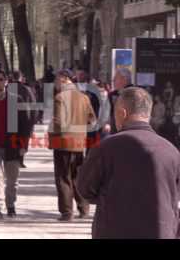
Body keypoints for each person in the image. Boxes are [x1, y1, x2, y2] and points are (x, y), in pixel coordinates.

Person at [78, 87, 180, 239]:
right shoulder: (171, 151)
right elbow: (175, 195)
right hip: (162, 231)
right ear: (148, 114)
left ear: (122, 113)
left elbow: (85, 189)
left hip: (114, 230)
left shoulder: (106, 147)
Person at [0, 70, 35, 219]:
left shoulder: (16, 100)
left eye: (0, 80)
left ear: (6, 82)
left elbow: (26, 124)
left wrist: (24, 145)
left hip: (13, 145)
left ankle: (11, 205)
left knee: (12, 180)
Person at [48, 69, 96, 222]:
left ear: (63, 79)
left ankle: (67, 212)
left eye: (56, 79)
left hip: (62, 143)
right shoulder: (84, 98)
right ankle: (84, 208)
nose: (55, 82)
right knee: (77, 176)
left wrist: (51, 139)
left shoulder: (60, 97)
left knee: (63, 178)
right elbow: (92, 120)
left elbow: (58, 122)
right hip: (79, 143)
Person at [10, 71, 38, 168]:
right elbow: (34, 105)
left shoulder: (8, 89)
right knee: (23, 140)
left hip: (11, 119)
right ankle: (20, 159)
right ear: (21, 78)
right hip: (25, 119)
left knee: (12, 139)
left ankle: (13, 158)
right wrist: (34, 119)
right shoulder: (27, 90)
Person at [105, 68, 133, 135]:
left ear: (124, 80)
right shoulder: (112, 95)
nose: (113, 81)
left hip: (131, 128)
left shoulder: (135, 93)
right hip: (115, 129)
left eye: (116, 78)